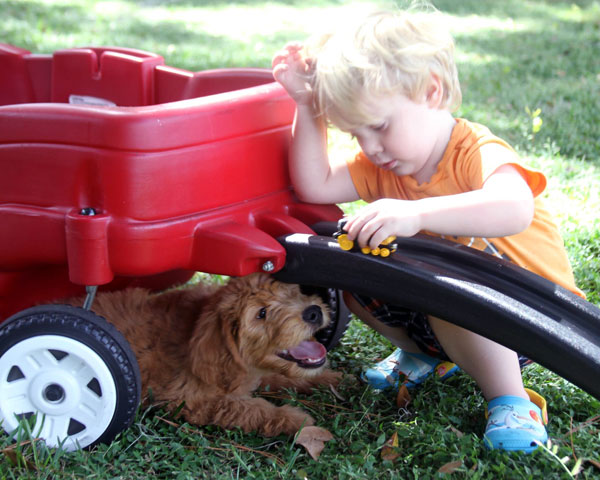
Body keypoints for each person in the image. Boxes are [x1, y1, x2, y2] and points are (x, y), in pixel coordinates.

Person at [271, 7, 585, 453]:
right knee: (353, 269)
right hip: (440, 312)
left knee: (446, 290)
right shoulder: (382, 165)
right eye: (356, 135)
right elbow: (313, 183)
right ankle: (422, 355)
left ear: (430, 91)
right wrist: (306, 105)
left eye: (379, 126)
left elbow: (515, 207)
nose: (371, 148)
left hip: (527, 316)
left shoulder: (474, 150)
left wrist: (417, 215)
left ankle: (512, 400)